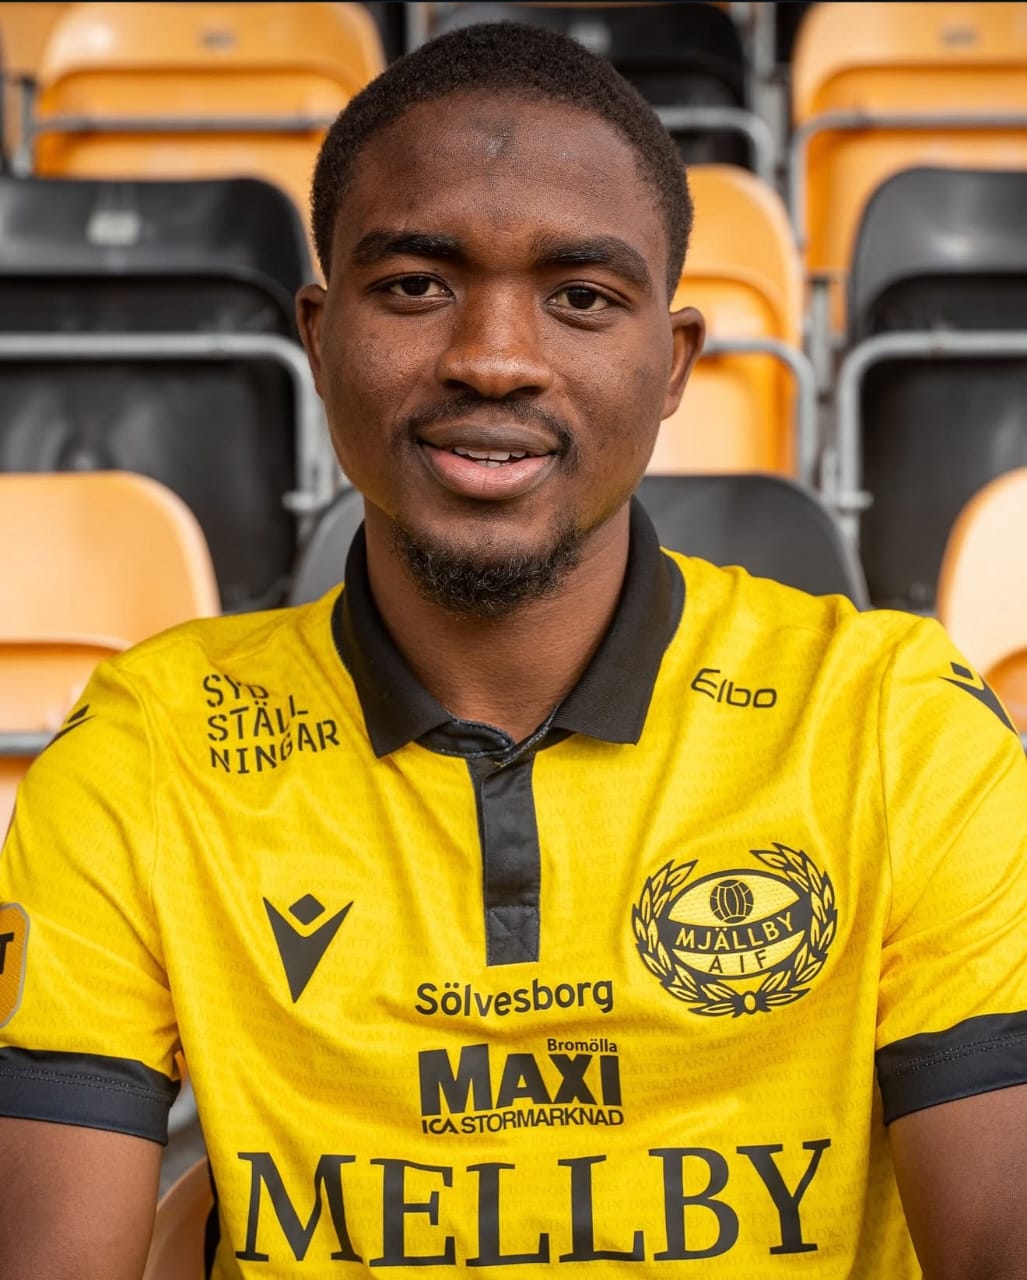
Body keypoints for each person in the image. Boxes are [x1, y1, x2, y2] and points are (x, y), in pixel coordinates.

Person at [1, 19, 1026, 1279]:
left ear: (673, 364)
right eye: (415, 286)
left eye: (580, 296)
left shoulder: (894, 724)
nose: (493, 358)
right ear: (317, 338)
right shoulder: (147, 752)